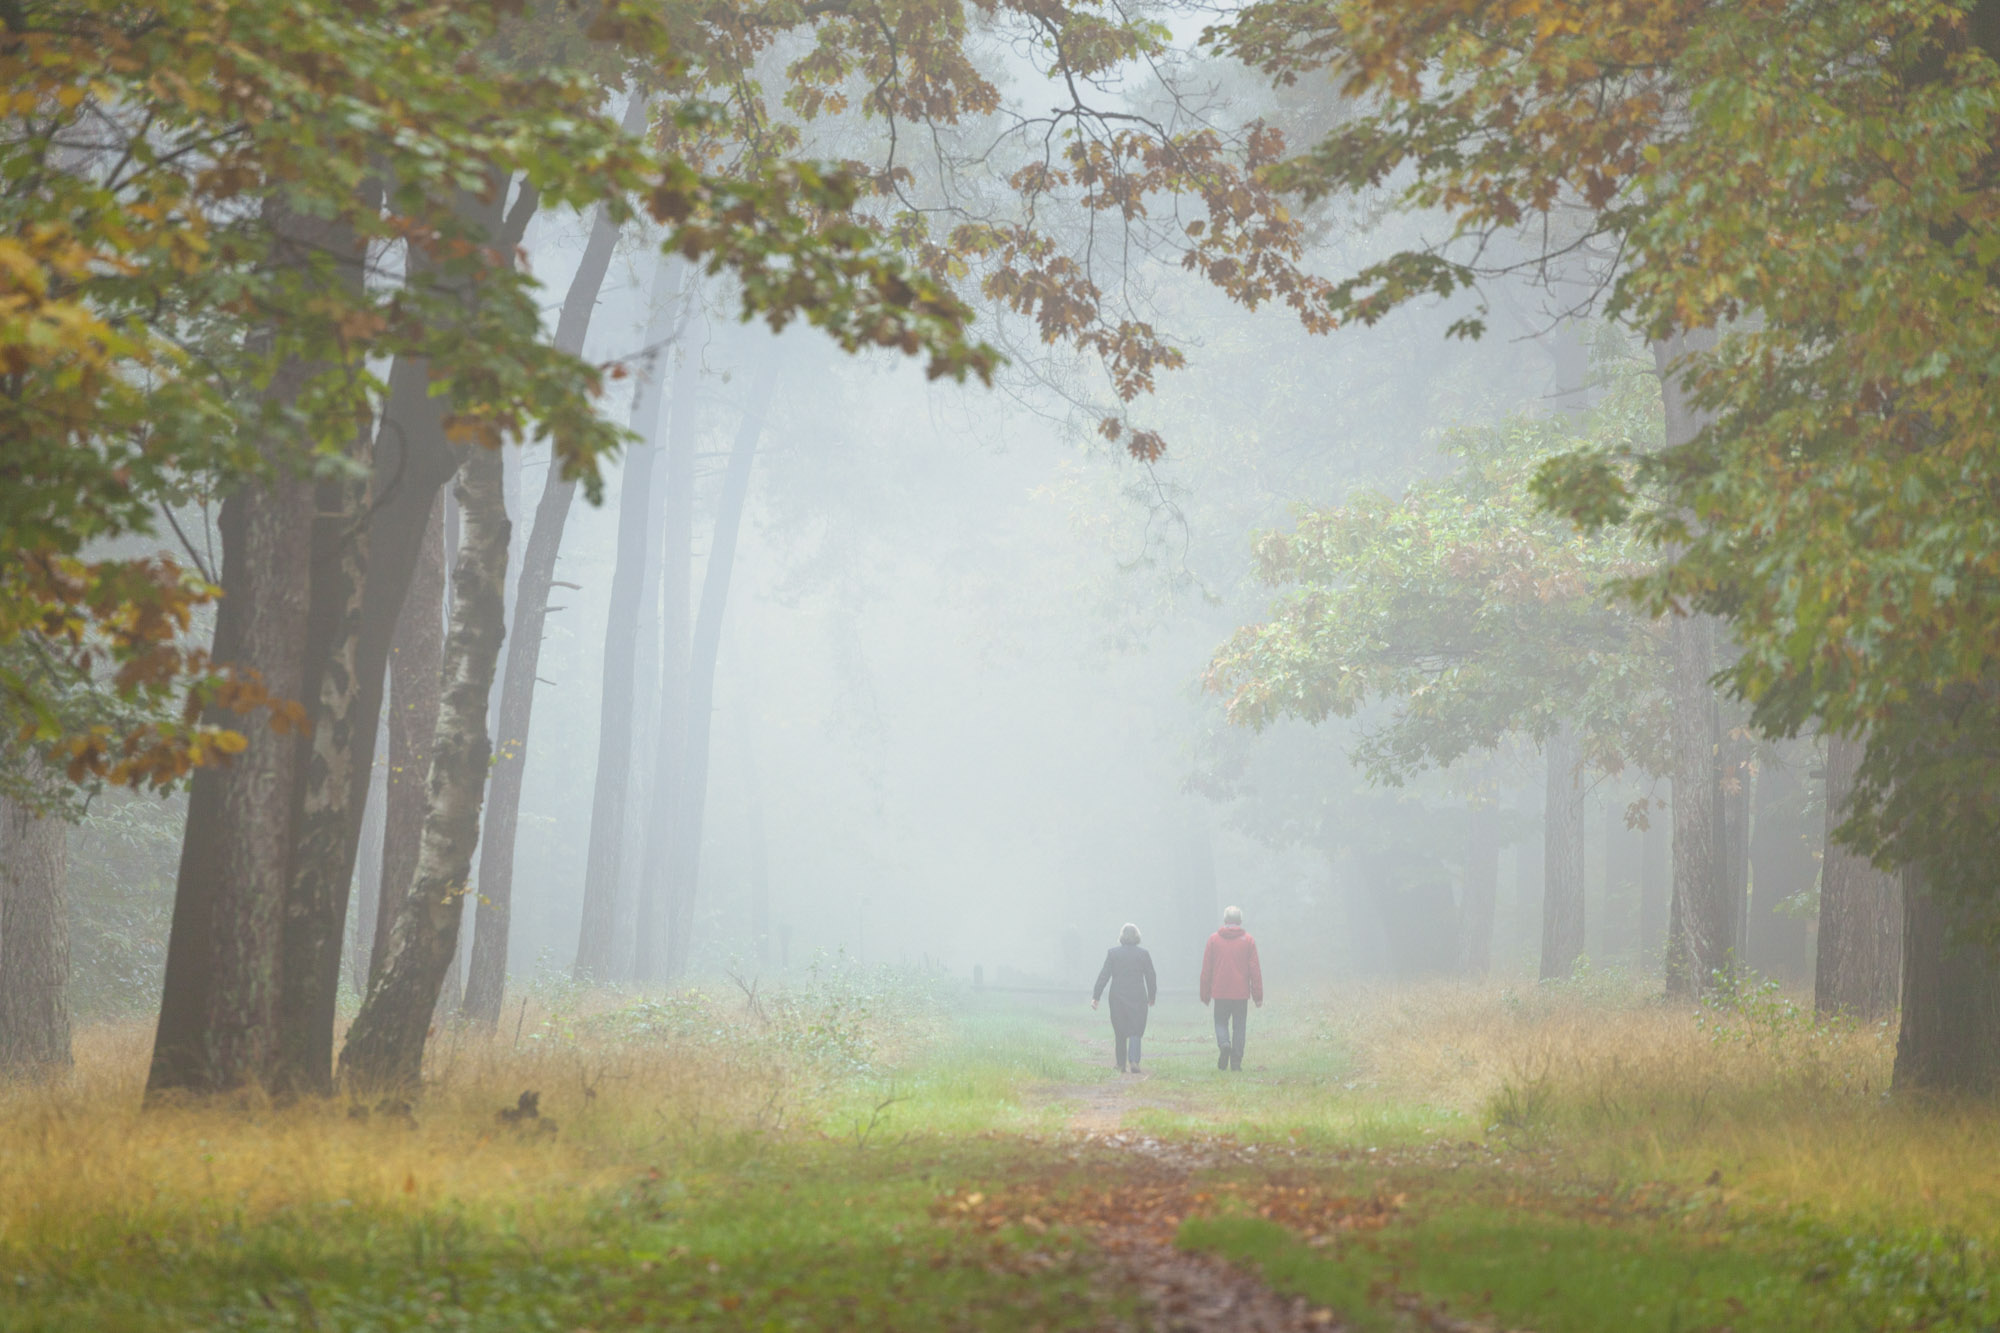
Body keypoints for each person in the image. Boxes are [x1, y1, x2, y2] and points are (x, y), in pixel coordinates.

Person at [1199, 905, 1263, 1071]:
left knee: (1220, 1022)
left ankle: (1224, 1044)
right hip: (1241, 993)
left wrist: (1205, 993)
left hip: (1220, 992)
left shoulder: (1213, 940)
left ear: (1225, 920)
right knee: (1239, 1026)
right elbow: (1254, 970)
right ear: (1240, 921)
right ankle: (1236, 1063)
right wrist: (1258, 995)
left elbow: (1207, 968)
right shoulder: (1248, 940)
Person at [1091, 923, 1157, 1073]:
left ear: (1121, 937)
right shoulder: (1143, 954)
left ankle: (1120, 1063)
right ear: (1137, 937)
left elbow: (1104, 975)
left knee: (1119, 1029)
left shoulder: (1113, 954)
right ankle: (1134, 1060)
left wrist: (1096, 996)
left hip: (1117, 997)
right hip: (1138, 996)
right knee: (1136, 1028)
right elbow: (1151, 976)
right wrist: (1152, 995)